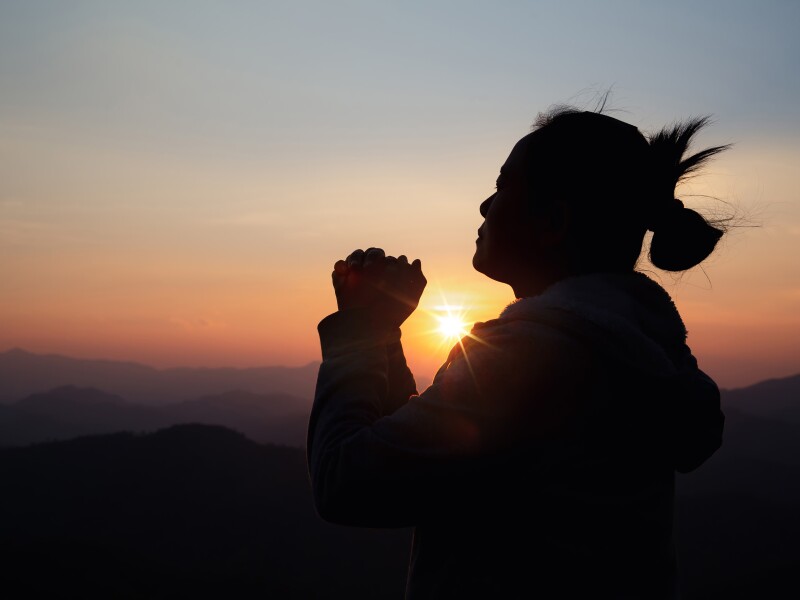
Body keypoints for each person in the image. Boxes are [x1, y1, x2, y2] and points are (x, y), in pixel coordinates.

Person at [306, 107, 726, 599]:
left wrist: (358, 330)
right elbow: (432, 455)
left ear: (553, 221)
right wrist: (382, 334)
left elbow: (346, 481)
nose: (486, 205)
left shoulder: (530, 356)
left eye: (503, 187)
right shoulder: (629, 349)